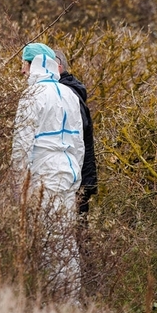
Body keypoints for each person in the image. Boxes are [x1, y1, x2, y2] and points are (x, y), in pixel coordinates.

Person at [11, 42, 85, 300]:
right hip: (68, 174)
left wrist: (17, 186)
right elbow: (79, 144)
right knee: (66, 240)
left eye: (24, 64)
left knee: (49, 241)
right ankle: (70, 299)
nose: (22, 71)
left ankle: (55, 302)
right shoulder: (69, 95)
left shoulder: (33, 95)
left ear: (34, 64)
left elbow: (21, 144)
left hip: (44, 174)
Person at [54, 49, 98, 216]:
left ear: (58, 67)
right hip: (78, 177)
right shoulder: (70, 92)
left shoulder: (67, 95)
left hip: (76, 180)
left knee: (76, 234)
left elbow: (76, 140)